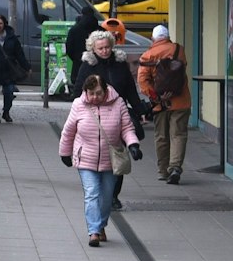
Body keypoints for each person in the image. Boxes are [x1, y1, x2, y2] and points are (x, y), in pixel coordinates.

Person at [59, 72, 140, 245]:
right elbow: (68, 131)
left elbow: (126, 127)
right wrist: (65, 153)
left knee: (107, 196)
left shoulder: (118, 104)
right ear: (85, 92)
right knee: (92, 193)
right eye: (91, 93)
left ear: (106, 91)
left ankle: (101, 224)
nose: (95, 97)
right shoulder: (78, 105)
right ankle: (93, 231)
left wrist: (133, 144)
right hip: (85, 158)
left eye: (98, 93)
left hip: (110, 160)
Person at [76, 26, 148, 210]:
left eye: (107, 47)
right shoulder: (88, 65)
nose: (105, 51)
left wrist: (140, 110)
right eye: (100, 48)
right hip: (94, 117)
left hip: (117, 114)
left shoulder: (120, 63)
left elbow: (131, 90)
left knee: (117, 157)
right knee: (95, 157)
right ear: (93, 49)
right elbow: (78, 92)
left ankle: (113, 195)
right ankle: (96, 192)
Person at [138, 23, 192, 184]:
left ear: (153, 38)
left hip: (160, 103)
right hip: (181, 100)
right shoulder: (179, 50)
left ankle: (163, 171)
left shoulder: (147, 56)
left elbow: (143, 81)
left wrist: (156, 96)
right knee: (178, 135)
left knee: (161, 136)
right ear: (167, 37)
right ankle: (175, 167)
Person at [67, 6, 104, 89]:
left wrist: (76, 58)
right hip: (98, 65)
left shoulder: (74, 30)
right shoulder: (100, 30)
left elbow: (69, 49)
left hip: (78, 65)